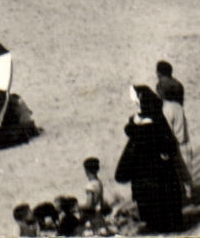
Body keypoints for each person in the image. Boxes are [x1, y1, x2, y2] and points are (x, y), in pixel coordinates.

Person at [115, 86, 186, 235]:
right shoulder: (158, 121)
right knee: (163, 198)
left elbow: (131, 130)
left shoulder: (137, 124)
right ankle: (167, 224)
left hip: (142, 169)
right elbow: (169, 145)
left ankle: (154, 225)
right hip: (159, 169)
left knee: (148, 199)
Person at [155, 62, 193, 194]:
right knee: (187, 180)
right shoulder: (179, 108)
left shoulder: (166, 110)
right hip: (185, 144)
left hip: (175, 148)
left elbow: (167, 133)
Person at [78, 158, 108, 233]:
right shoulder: (98, 182)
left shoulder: (90, 186)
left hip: (91, 217)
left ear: (86, 170)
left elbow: (89, 205)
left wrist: (77, 207)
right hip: (99, 215)